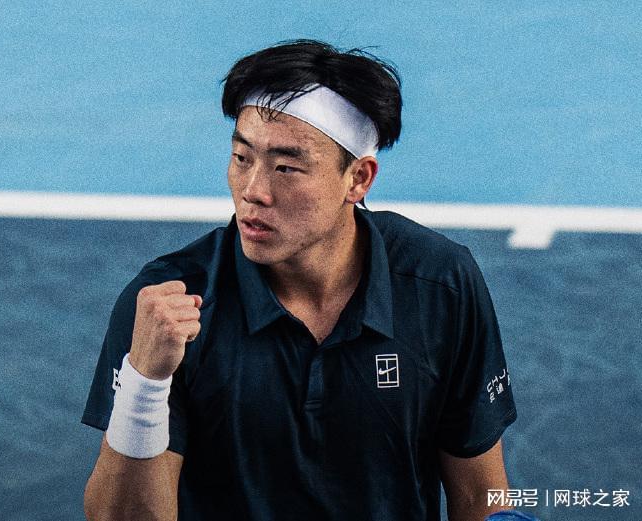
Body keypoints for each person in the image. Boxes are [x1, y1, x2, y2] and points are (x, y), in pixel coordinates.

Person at [82, 39, 517, 521]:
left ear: (358, 179)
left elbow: (480, 497)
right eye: (242, 158)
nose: (253, 192)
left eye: (286, 167)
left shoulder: (440, 284)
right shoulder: (170, 305)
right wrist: (145, 383)